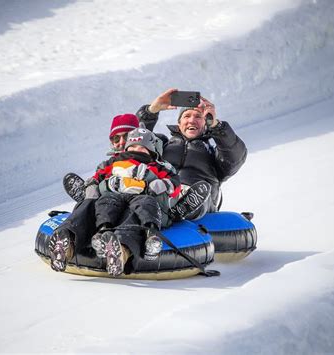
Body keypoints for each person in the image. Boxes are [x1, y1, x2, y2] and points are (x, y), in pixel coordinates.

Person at [49, 114, 140, 272]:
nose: (121, 142)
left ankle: (119, 253)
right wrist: (91, 189)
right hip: (106, 206)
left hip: (131, 205)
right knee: (90, 204)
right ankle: (66, 242)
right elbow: (97, 178)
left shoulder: (149, 160)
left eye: (127, 136)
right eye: (116, 139)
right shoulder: (107, 165)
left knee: (132, 214)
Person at [136, 88, 247, 217]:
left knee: (196, 196)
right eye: (186, 116)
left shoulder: (213, 154)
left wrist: (217, 126)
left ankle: (185, 205)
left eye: (198, 116)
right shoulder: (162, 144)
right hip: (164, 196)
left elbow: (235, 157)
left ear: (206, 124)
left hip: (198, 205)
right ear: (179, 123)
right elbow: (135, 141)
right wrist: (151, 111)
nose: (191, 120)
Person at [86, 127, 181, 276]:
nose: (137, 150)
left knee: (144, 205)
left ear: (151, 151)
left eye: (142, 148)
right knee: (106, 203)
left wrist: (164, 184)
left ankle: (150, 236)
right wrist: (92, 184)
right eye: (133, 146)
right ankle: (103, 233)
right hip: (117, 198)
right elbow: (100, 174)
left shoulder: (156, 166)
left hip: (143, 201)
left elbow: (175, 182)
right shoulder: (116, 162)